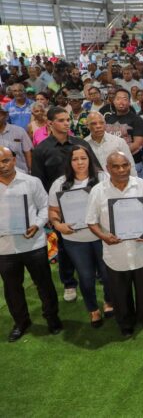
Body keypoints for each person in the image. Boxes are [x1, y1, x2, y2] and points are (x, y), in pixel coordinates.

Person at [86, 152, 143, 337]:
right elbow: (91, 221)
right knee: (119, 291)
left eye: (125, 165)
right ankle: (125, 323)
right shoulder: (98, 191)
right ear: (108, 169)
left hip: (140, 249)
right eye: (116, 166)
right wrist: (104, 237)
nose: (121, 170)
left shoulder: (140, 185)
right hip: (115, 252)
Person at [32, 107, 96, 301]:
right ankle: (69, 283)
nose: (66, 123)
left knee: (96, 239)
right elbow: (38, 182)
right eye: (61, 120)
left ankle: (100, 275)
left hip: (88, 201)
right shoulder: (41, 149)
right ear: (50, 123)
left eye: (68, 119)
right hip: (59, 206)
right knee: (64, 245)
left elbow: (97, 170)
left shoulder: (81, 144)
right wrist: (49, 213)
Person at [0, 146, 62, 342]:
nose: (2, 165)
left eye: (5, 160)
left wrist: (37, 225)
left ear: (14, 159)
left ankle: (52, 319)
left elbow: (45, 207)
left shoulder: (31, 182)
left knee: (44, 284)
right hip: (4, 248)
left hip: (33, 244)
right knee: (12, 288)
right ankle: (21, 322)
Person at [48, 145, 112, 327]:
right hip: (75, 240)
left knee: (108, 274)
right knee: (86, 276)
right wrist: (58, 225)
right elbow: (53, 210)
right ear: (69, 162)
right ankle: (93, 309)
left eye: (83, 158)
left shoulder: (103, 178)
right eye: (75, 159)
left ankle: (109, 301)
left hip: (101, 236)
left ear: (90, 159)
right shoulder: (60, 183)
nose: (80, 162)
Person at [104, 89, 143, 179]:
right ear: (113, 101)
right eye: (118, 99)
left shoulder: (137, 120)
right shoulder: (108, 119)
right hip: (112, 165)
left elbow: (138, 145)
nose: (121, 102)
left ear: (129, 102)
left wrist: (117, 156)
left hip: (132, 163)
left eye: (124, 99)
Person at [0, 104, 32, 173]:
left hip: (20, 173)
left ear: (6, 115)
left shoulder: (19, 131)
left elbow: (28, 152)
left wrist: (30, 170)